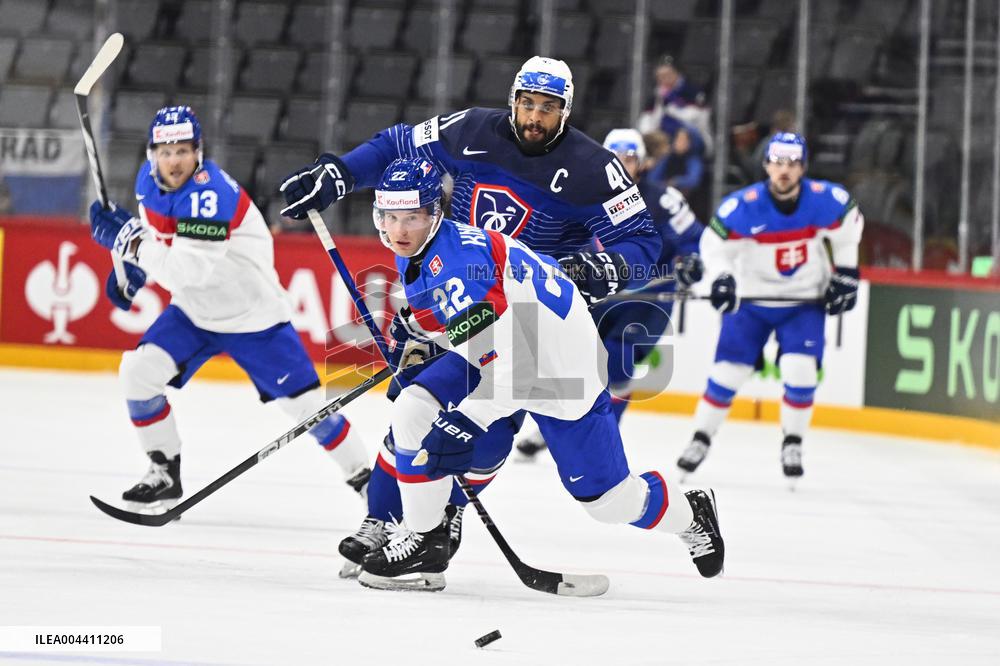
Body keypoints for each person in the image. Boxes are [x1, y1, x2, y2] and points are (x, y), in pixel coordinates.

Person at [278, 57, 665, 574]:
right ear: (513, 101)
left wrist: (603, 266)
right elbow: (398, 146)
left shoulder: (595, 168)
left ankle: (447, 516)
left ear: (565, 112)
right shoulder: (471, 129)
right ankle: (391, 523)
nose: (534, 116)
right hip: (454, 292)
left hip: (531, 322)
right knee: (413, 407)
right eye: (527, 103)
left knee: (491, 435)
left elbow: (643, 242)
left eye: (547, 108)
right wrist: (341, 174)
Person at [353, 157, 724, 591]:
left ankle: (690, 513)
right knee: (414, 407)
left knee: (608, 502)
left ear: (435, 212)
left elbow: (521, 368)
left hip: (560, 370)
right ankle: (424, 540)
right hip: (510, 348)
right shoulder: (428, 247)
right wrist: (421, 324)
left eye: (411, 218)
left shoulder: (456, 266)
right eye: (390, 217)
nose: (399, 231)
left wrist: (468, 419)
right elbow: (485, 326)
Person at [87, 106, 372, 512]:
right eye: (165, 152)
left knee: (311, 411)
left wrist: (128, 244)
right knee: (138, 372)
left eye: (183, 150)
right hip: (195, 312)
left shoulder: (210, 195)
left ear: (198, 152)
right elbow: (161, 241)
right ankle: (164, 469)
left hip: (253, 317)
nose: (174, 161)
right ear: (151, 154)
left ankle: (370, 487)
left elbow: (187, 271)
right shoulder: (147, 183)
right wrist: (131, 270)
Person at [677, 133, 864, 482]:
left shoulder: (826, 200)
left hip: (802, 301)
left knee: (800, 371)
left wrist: (848, 272)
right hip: (751, 302)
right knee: (727, 374)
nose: (784, 171)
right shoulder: (742, 206)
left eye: (792, 164)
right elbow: (713, 246)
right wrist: (721, 278)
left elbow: (848, 229)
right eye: (777, 162)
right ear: (766, 165)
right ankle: (700, 438)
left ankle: (792, 441)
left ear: (803, 168)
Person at [516, 128, 705, 460]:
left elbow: (696, 239)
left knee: (616, 364)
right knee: (572, 363)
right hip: (596, 295)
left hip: (645, 302)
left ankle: (601, 441)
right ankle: (562, 429)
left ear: (643, 163)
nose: (621, 164)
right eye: (614, 157)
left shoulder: (664, 200)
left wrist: (692, 261)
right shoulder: (579, 194)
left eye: (629, 158)